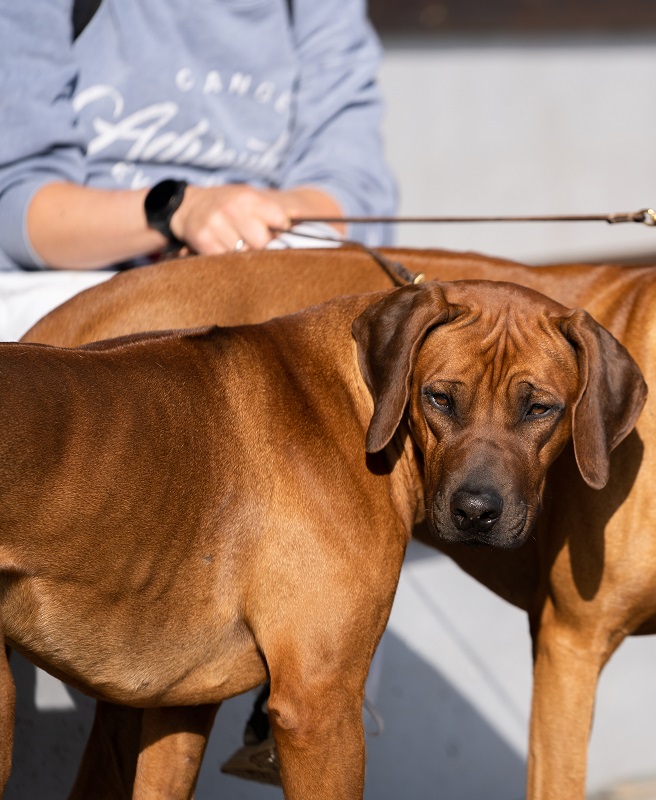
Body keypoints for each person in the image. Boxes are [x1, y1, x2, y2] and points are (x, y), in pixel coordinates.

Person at [0, 0, 397, 783]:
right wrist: (180, 206)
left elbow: (358, 198)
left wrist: (271, 222)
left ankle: (298, 692)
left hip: (249, 291)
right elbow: (19, 208)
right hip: (73, 279)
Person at [0, 0, 396, 339]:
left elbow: (354, 188)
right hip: (76, 298)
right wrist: (181, 212)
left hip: (260, 292)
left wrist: (250, 220)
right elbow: (15, 203)